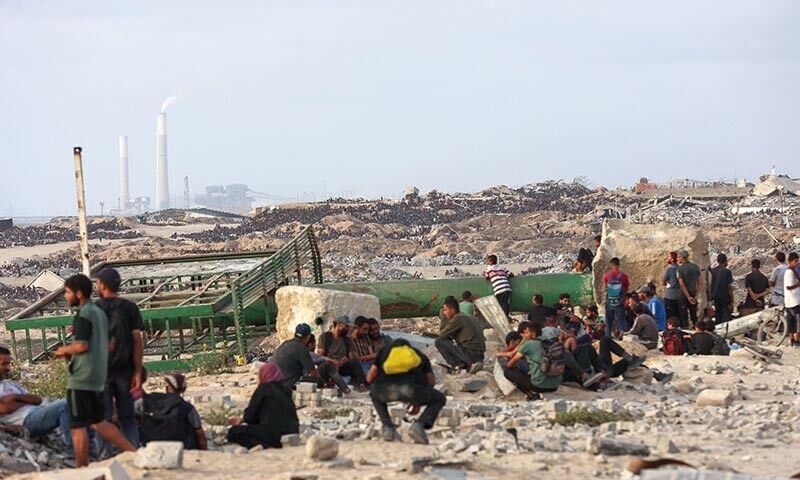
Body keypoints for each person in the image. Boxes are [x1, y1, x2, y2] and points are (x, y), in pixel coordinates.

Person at [54, 274, 135, 468]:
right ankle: (133, 452)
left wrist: (64, 350)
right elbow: (108, 344)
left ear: (79, 293)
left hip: (81, 378)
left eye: (67, 292)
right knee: (98, 421)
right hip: (98, 376)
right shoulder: (99, 313)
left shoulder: (83, 315)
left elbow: (81, 346)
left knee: (78, 426)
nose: (66, 297)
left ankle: (81, 468)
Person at [94, 267, 143, 454]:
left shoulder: (93, 309)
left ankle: (105, 457)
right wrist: (137, 371)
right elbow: (137, 341)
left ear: (102, 285)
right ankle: (133, 453)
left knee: (102, 419)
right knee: (127, 418)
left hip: (101, 373)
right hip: (125, 371)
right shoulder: (130, 308)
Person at [367, 338, 445, 444]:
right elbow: (431, 381)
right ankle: (419, 425)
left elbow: (370, 377)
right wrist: (417, 402)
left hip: (386, 391)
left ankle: (388, 428)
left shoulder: (384, 351)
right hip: (411, 390)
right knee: (440, 398)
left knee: (374, 393)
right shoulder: (419, 355)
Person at [0, 347, 73, 453]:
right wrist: (23, 400)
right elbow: (5, 408)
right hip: (27, 421)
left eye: (8, 364)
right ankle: (74, 452)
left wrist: (15, 398)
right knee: (65, 406)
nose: (8, 368)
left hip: (38, 411)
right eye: (3, 364)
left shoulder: (11, 385)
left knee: (75, 402)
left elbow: (37, 400)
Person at [227, 363, 299, 449]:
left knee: (233, 432)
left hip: (274, 435)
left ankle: (262, 446)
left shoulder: (263, 389)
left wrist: (242, 420)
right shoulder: (285, 390)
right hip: (293, 433)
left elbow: (250, 416)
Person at [138, 374, 207, 450]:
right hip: (181, 447)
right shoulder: (187, 407)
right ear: (184, 389)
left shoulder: (151, 400)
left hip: (149, 445)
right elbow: (199, 432)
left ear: (166, 388)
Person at [505, 323, 562, 400]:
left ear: (533, 334)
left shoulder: (529, 344)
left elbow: (509, 364)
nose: (523, 336)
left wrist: (515, 366)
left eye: (526, 333)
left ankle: (531, 395)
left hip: (539, 386)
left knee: (508, 371)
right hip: (555, 385)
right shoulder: (549, 341)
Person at [435, 298, 486, 374]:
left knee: (439, 342)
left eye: (445, 310)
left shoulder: (457, 319)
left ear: (452, 310)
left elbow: (441, 335)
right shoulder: (468, 316)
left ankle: (457, 365)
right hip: (480, 355)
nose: (444, 313)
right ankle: (466, 364)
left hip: (472, 355)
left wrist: (444, 319)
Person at [318, 317, 367, 392]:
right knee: (326, 365)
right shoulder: (325, 337)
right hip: (330, 365)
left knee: (354, 361)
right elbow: (321, 356)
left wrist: (346, 359)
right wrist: (333, 361)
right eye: (346, 326)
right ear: (339, 324)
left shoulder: (347, 340)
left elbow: (351, 356)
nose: (348, 329)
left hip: (342, 366)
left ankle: (361, 384)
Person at [270, 323, 318, 389]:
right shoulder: (301, 348)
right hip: (287, 384)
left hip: (274, 382)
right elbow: (313, 372)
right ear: (308, 336)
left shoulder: (285, 343)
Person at [603, 258, 629, 339]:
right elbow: (626, 288)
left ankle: (607, 337)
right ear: (619, 264)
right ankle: (621, 337)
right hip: (620, 302)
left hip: (609, 302)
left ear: (612, 265)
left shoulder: (607, 276)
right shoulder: (624, 276)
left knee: (608, 321)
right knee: (621, 321)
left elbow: (605, 288)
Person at [676, 249, 702, 328]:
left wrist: (688, 297)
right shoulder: (695, 267)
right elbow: (700, 283)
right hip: (693, 293)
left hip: (683, 295)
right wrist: (696, 296)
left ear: (681, 257)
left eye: (678, 257)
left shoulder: (680, 269)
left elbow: (682, 284)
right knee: (694, 315)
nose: (677, 259)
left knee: (684, 317)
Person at [709, 254, 734, 324]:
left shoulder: (713, 271)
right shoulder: (727, 272)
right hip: (724, 297)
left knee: (718, 315)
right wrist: (732, 300)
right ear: (725, 261)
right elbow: (729, 287)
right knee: (725, 317)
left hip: (715, 296)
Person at [784, 253, 800, 347]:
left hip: (792, 301)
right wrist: (798, 285)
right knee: (797, 323)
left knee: (792, 323)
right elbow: (789, 286)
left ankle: (792, 340)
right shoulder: (789, 272)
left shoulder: (793, 271)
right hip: (794, 301)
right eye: (795, 261)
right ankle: (796, 340)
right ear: (790, 262)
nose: (797, 263)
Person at [662, 252, 681, 320]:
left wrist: (667, 284)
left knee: (670, 316)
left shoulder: (670, 269)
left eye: (669, 257)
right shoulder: (679, 268)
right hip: (678, 294)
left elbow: (663, 281)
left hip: (670, 295)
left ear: (672, 259)